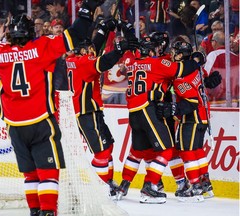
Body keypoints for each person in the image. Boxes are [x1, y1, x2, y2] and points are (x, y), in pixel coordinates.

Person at [0, 0, 105, 215]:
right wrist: (87, 10)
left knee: (30, 174)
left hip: (14, 124)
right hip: (40, 120)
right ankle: (48, 211)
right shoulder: (41, 46)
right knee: (48, 173)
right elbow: (75, 35)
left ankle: (35, 211)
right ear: (29, 32)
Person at [120, 30, 206, 204]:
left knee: (138, 151)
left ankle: (122, 186)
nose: (161, 48)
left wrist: (127, 29)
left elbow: (126, 62)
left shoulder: (133, 61)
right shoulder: (158, 63)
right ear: (152, 51)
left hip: (134, 111)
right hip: (151, 109)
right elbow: (181, 68)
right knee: (167, 149)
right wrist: (196, 61)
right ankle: (151, 186)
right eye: (157, 45)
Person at [65, 19, 139, 199]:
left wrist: (103, 30)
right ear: (83, 51)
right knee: (102, 151)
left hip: (90, 110)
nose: (93, 51)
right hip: (86, 112)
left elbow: (96, 50)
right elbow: (104, 62)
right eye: (89, 49)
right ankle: (101, 188)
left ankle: (107, 183)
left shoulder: (75, 60)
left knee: (109, 146)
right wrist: (120, 50)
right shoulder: (84, 62)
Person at [156, 40, 221, 201]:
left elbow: (191, 101)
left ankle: (196, 186)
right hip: (204, 116)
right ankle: (205, 183)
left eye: (174, 52)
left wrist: (174, 109)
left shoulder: (180, 77)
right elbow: (204, 80)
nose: (172, 54)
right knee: (197, 150)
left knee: (186, 151)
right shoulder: (197, 70)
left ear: (179, 55)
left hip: (192, 118)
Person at [204, 31, 239, 107]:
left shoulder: (213, 55)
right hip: (235, 101)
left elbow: (205, 76)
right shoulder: (236, 57)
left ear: (215, 42)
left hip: (217, 102)